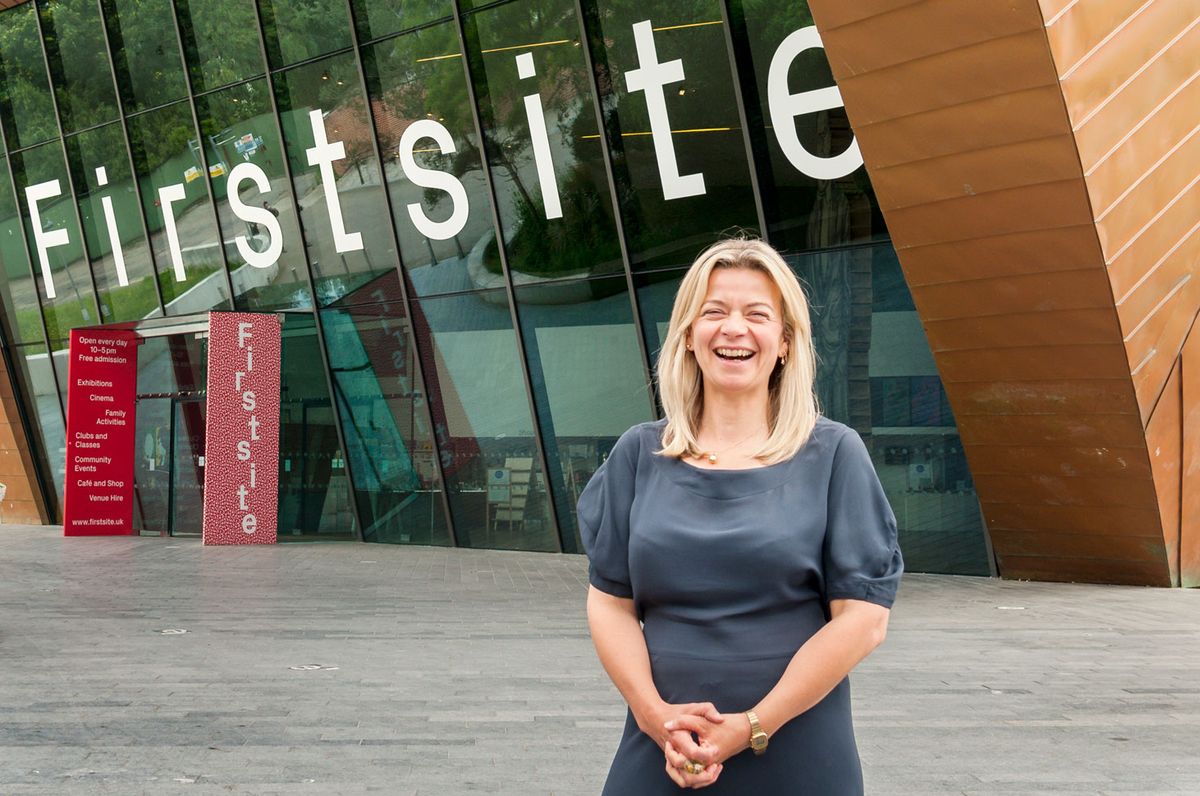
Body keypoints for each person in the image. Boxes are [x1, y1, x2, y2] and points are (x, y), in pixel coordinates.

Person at [579, 238, 903, 793]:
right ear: (688, 337)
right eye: (714, 312)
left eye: (757, 315)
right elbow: (609, 603)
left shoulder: (834, 454)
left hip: (798, 750)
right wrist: (656, 718)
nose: (734, 328)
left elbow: (864, 620)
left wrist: (753, 726)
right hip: (662, 745)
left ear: (784, 343)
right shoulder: (638, 454)